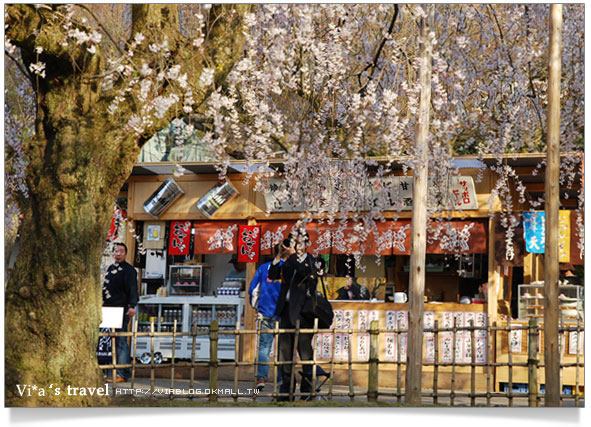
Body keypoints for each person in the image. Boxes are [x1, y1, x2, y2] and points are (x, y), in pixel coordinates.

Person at [268, 229, 324, 401]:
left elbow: (306, 275)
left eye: (298, 243)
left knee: (305, 353)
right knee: (284, 353)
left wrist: (292, 256)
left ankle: (307, 391)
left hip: (303, 314)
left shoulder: (315, 261)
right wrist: (279, 256)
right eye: (293, 243)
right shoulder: (289, 261)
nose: (295, 247)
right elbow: (272, 275)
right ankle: (286, 391)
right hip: (286, 312)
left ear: (306, 244)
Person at [248, 244, 287, 391]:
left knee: (264, 347)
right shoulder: (287, 267)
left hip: (265, 313)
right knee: (283, 348)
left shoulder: (263, 268)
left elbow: (253, 289)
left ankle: (261, 378)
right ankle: (282, 379)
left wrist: (256, 307)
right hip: (282, 314)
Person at [102, 242, 138, 383]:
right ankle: (108, 370)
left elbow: (133, 288)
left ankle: (123, 373)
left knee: (121, 340)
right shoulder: (110, 269)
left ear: (125, 253)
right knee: (109, 341)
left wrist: (132, 305)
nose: (118, 254)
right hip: (108, 307)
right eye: (116, 251)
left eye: (121, 251)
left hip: (122, 308)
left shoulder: (130, 270)